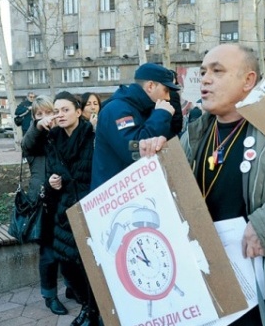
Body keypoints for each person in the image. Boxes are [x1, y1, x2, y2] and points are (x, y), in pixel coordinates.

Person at [138, 44, 265, 325]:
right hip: (210, 279)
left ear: (248, 80)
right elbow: (170, 198)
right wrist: (156, 160)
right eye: (202, 72)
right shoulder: (196, 132)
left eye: (217, 71)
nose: (205, 79)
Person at [33, 91, 98, 325]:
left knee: (91, 267)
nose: (60, 115)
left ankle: (93, 312)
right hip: (64, 213)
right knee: (69, 268)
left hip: (89, 210)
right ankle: (88, 307)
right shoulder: (53, 139)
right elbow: (48, 170)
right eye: (57, 110)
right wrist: (51, 184)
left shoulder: (93, 136)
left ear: (79, 112)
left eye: (66, 110)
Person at [90, 63, 178, 190]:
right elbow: (133, 149)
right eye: (166, 90)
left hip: (128, 193)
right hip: (114, 198)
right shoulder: (117, 110)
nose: (168, 97)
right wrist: (161, 115)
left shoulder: (140, 108)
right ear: (151, 86)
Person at [21, 95, 68, 316]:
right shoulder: (34, 139)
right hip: (43, 203)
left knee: (69, 247)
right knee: (48, 253)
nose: (45, 118)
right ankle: (49, 296)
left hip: (64, 200)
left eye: (48, 112)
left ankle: (72, 287)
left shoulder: (61, 135)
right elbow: (27, 143)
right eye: (38, 114)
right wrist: (38, 126)